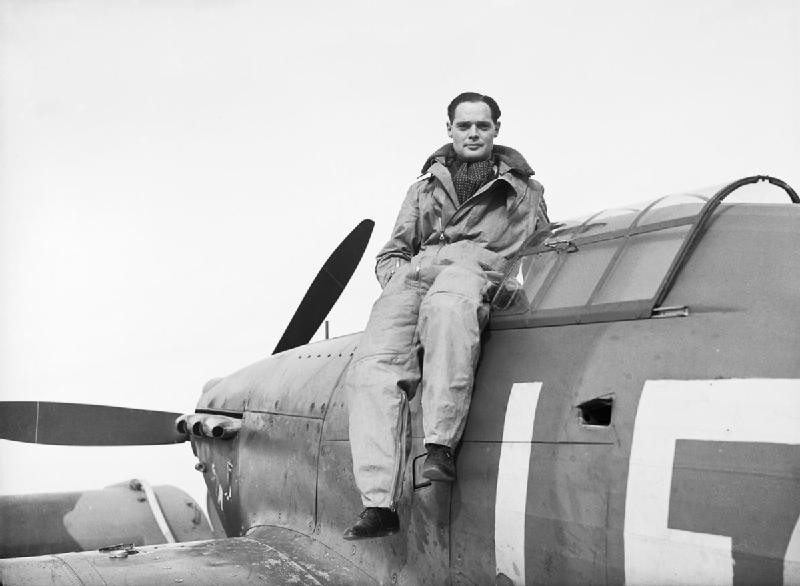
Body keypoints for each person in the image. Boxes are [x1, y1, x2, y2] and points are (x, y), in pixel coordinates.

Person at [343, 92, 548, 540]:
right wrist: (397, 279)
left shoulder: (526, 191)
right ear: (450, 130)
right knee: (372, 368)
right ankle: (379, 503)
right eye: (464, 126)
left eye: (482, 126)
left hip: (473, 269)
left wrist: (507, 286)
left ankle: (439, 447)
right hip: (416, 275)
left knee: (448, 311)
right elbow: (393, 250)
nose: (473, 133)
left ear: (496, 129)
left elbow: (541, 250)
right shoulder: (423, 189)